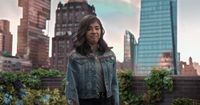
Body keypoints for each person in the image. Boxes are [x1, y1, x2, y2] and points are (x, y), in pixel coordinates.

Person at [66, 15, 119, 105]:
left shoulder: (110, 55)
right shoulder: (75, 56)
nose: (94, 32)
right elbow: (71, 86)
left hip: (107, 101)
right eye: (89, 29)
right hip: (85, 101)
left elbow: (114, 84)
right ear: (84, 32)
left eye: (97, 28)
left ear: (101, 31)